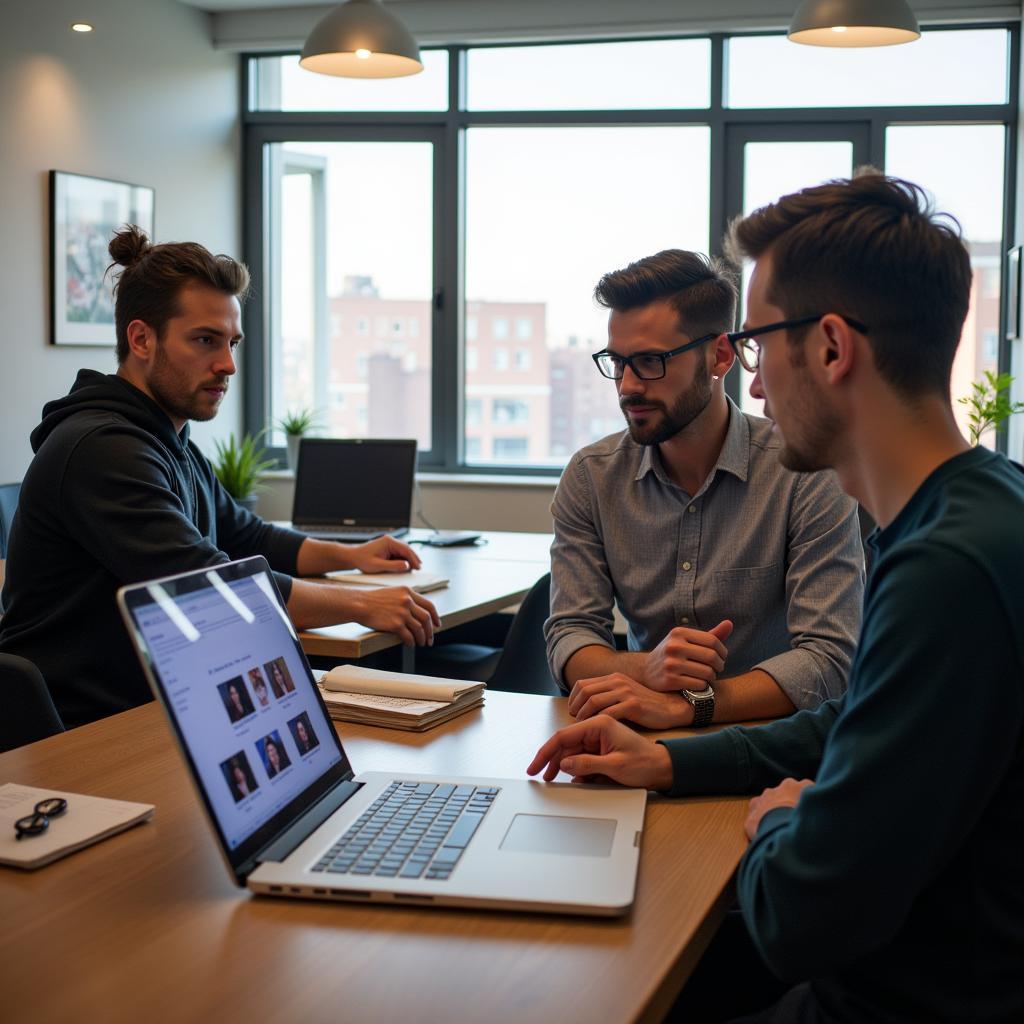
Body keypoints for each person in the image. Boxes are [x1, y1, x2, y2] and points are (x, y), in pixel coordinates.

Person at [529, 174, 1024, 1023]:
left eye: (756, 347)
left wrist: (781, 819)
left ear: (831, 349)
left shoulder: (945, 571)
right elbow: (855, 722)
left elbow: (797, 921)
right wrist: (674, 760)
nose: (752, 388)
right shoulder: (982, 505)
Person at [0, 227, 441, 729]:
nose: (227, 364)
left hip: (157, 711)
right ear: (141, 338)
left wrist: (350, 556)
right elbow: (210, 588)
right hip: (78, 733)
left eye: (231, 342)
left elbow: (246, 534)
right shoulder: (103, 449)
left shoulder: (166, 439)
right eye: (206, 341)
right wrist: (360, 604)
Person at [545, 249, 863, 728]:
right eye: (618, 362)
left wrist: (688, 707)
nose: (628, 385)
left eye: (651, 361)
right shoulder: (592, 477)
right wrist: (642, 668)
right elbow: (570, 636)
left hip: (775, 745)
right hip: (640, 735)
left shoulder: (804, 473)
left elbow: (829, 659)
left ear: (719, 356)